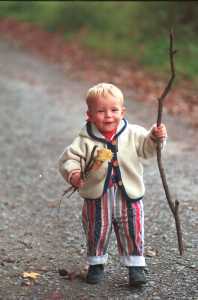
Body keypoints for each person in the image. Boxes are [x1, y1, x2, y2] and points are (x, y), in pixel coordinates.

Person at [58, 82, 167, 286]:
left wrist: (155, 137)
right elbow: (69, 159)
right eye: (101, 111)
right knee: (97, 228)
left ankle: (136, 266)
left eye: (114, 110)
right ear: (89, 115)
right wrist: (73, 173)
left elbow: (147, 149)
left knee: (133, 227)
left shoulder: (133, 133)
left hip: (128, 193)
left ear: (123, 111)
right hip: (98, 195)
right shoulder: (84, 140)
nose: (108, 115)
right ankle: (96, 264)